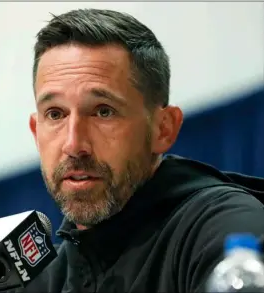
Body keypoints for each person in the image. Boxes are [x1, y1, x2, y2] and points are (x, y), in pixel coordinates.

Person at [27, 8, 264, 293]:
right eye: (55, 114)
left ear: (163, 129)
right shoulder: (38, 279)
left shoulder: (227, 230)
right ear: (35, 131)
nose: (74, 144)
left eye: (103, 112)